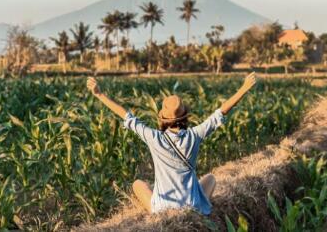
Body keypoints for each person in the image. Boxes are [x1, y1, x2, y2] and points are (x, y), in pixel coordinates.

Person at [86, 73, 257, 215]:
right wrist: (244, 88)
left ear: (163, 118)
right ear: (184, 117)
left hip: (163, 209)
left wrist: (99, 94)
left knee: (138, 184)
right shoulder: (195, 135)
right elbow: (220, 112)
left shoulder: (154, 137)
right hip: (192, 208)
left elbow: (126, 116)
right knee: (211, 178)